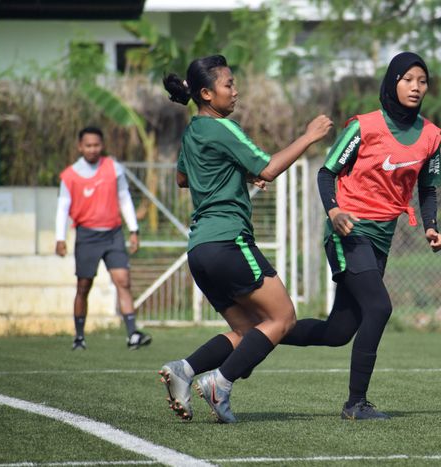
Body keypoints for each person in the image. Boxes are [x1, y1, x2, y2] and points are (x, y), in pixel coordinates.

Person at [158, 55, 332, 423]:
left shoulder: (193, 131)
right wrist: (309, 136)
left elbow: (183, 179)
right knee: (283, 319)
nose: (236, 92)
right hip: (229, 242)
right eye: (229, 85)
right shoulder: (224, 127)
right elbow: (268, 167)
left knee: (247, 331)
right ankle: (219, 383)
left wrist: (235, 173)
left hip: (200, 251)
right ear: (206, 93)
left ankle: (185, 370)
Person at [279, 52, 441, 420]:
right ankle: (356, 404)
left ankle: (263, 334)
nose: (416, 86)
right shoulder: (364, 127)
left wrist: (431, 225)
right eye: (408, 79)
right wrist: (334, 211)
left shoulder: (431, 136)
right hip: (348, 230)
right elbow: (326, 173)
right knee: (380, 307)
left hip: (381, 237)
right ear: (392, 82)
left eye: (423, 80)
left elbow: (429, 189)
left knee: (338, 331)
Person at [55, 127, 152, 351]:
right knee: (83, 286)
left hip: (113, 234)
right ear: (80, 146)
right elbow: (62, 208)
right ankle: (79, 337)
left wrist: (134, 230)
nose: (92, 149)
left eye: (96, 145)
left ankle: (132, 335)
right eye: (88, 145)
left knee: (123, 281)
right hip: (87, 236)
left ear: (102, 145)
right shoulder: (70, 175)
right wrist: (60, 238)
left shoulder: (113, 168)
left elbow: (124, 198)